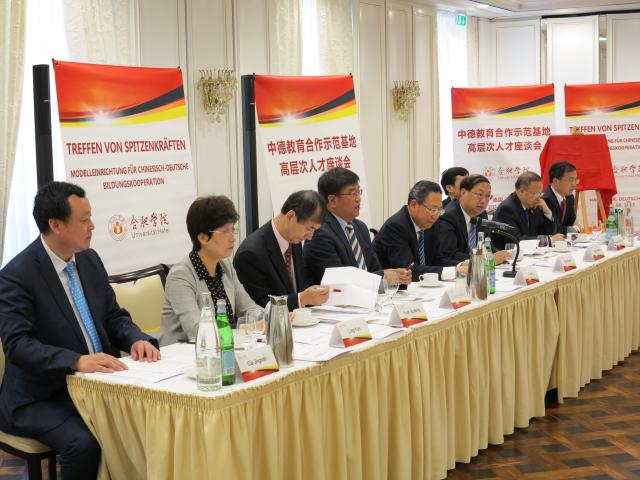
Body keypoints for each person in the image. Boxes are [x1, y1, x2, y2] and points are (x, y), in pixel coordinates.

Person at [0, 181, 160, 480]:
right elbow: (19, 345)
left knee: (148, 420)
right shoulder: (17, 276)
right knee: (84, 444)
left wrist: (136, 339)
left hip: (98, 386)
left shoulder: (88, 259)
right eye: (84, 219)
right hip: (42, 397)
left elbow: (113, 316)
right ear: (56, 225)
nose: (92, 226)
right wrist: (75, 361)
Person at [159, 196, 261, 346]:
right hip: (183, 353)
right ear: (203, 237)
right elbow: (197, 331)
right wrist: (244, 328)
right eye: (225, 231)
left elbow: (249, 308)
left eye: (233, 230)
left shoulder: (225, 265)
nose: (233, 238)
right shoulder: (180, 275)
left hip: (223, 347)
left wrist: (269, 316)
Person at [303, 167, 412, 286]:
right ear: (333, 200)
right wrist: (384, 277)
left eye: (359, 192)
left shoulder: (360, 227)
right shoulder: (319, 232)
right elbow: (338, 283)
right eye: (352, 193)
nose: (358, 198)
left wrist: (395, 278)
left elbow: (374, 269)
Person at [234, 190, 330, 311]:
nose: (310, 236)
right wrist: (301, 299)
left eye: (314, 230)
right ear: (290, 216)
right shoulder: (251, 253)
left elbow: (295, 289)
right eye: (309, 228)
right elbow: (257, 306)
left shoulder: (294, 240)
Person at [373, 180, 460, 281]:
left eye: (439, 210)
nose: (435, 215)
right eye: (432, 209)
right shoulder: (395, 226)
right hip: (391, 288)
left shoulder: (431, 223)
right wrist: (455, 272)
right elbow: (409, 270)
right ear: (413, 204)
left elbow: (437, 260)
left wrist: (461, 266)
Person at [438, 174, 509, 265]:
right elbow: (450, 254)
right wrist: (487, 259)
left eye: (488, 196)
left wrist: (504, 255)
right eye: (479, 195)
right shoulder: (448, 217)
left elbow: (486, 246)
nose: (484, 201)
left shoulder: (481, 214)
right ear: (463, 193)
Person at [492, 171, 564, 250]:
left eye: (540, 193)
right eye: (534, 193)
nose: (538, 197)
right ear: (521, 191)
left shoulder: (534, 205)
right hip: (509, 255)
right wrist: (549, 240)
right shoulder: (507, 209)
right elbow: (516, 240)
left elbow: (548, 232)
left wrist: (547, 212)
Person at [542, 161, 577, 235]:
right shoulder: (546, 199)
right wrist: (572, 230)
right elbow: (554, 228)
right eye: (571, 180)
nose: (574, 184)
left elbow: (572, 221)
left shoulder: (570, 197)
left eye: (575, 180)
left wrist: (575, 228)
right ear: (555, 181)